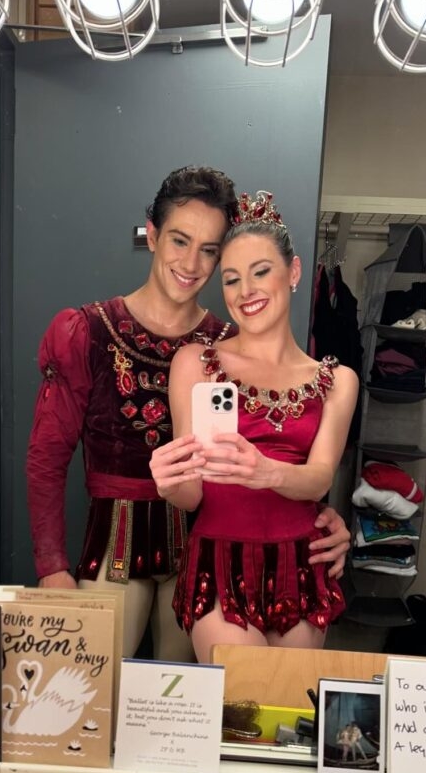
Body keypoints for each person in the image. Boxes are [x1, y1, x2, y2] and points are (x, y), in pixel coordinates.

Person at [27, 168, 351, 660]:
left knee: (186, 712)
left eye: (210, 250)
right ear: (153, 235)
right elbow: (47, 458)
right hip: (117, 540)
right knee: (94, 689)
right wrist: (52, 564)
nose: (192, 262)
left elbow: (285, 445)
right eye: (180, 240)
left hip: (206, 548)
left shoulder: (237, 340)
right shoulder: (90, 331)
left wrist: (321, 515)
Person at [150, 190, 359, 664]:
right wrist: (170, 484)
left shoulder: (337, 381)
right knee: (238, 707)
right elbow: (194, 495)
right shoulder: (195, 362)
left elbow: (321, 476)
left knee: (285, 715)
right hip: (219, 559)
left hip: (303, 561)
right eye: (231, 279)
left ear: (295, 272)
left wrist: (268, 472)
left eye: (261, 271)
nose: (246, 291)